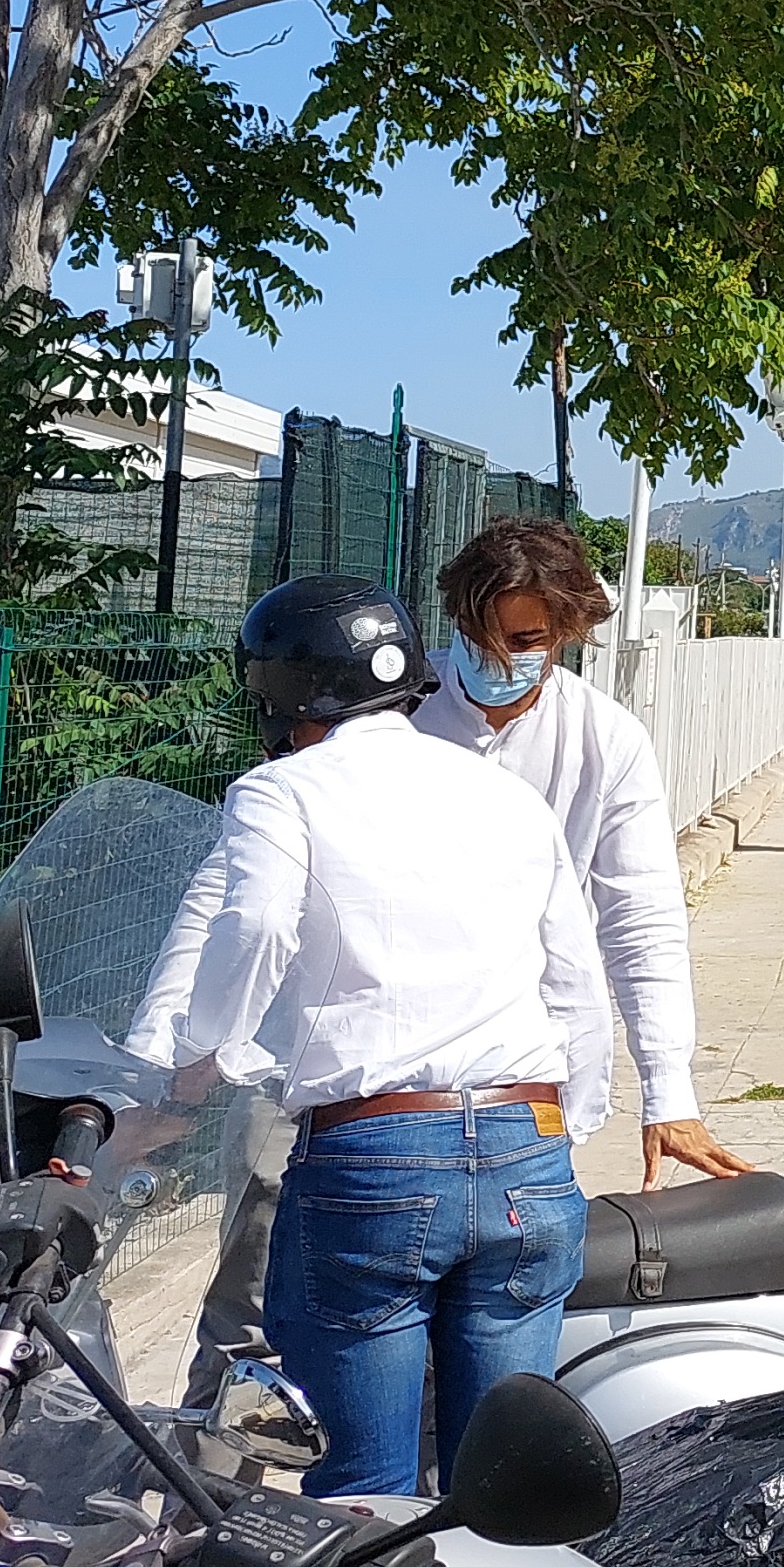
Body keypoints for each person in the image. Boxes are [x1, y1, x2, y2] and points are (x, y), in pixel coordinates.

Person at [130, 575, 604, 1500]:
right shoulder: (505, 797)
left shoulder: (282, 792)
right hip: (530, 1150)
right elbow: (577, 983)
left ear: (279, 700)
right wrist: (564, 1128)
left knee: (362, 1485)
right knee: (495, 1485)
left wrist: (201, 1060)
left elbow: (254, 926)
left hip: (376, 1158)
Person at [413, 517, 751, 1191]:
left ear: (568, 635)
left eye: (525, 641)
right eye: (479, 640)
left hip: (533, 1069)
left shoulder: (606, 740)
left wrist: (668, 1092)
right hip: (400, 1064)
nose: (499, 659)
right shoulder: (397, 717)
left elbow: (641, 918)